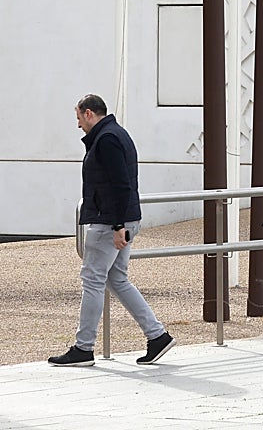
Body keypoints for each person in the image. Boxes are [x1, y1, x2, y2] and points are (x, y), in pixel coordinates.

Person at [49, 95, 176, 367]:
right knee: (117, 279)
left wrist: (118, 226)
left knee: (93, 279)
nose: (79, 125)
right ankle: (158, 336)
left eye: (79, 119)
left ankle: (84, 348)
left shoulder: (106, 140)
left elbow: (120, 185)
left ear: (90, 114)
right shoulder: (117, 134)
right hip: (122, 218)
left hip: (110, 222)